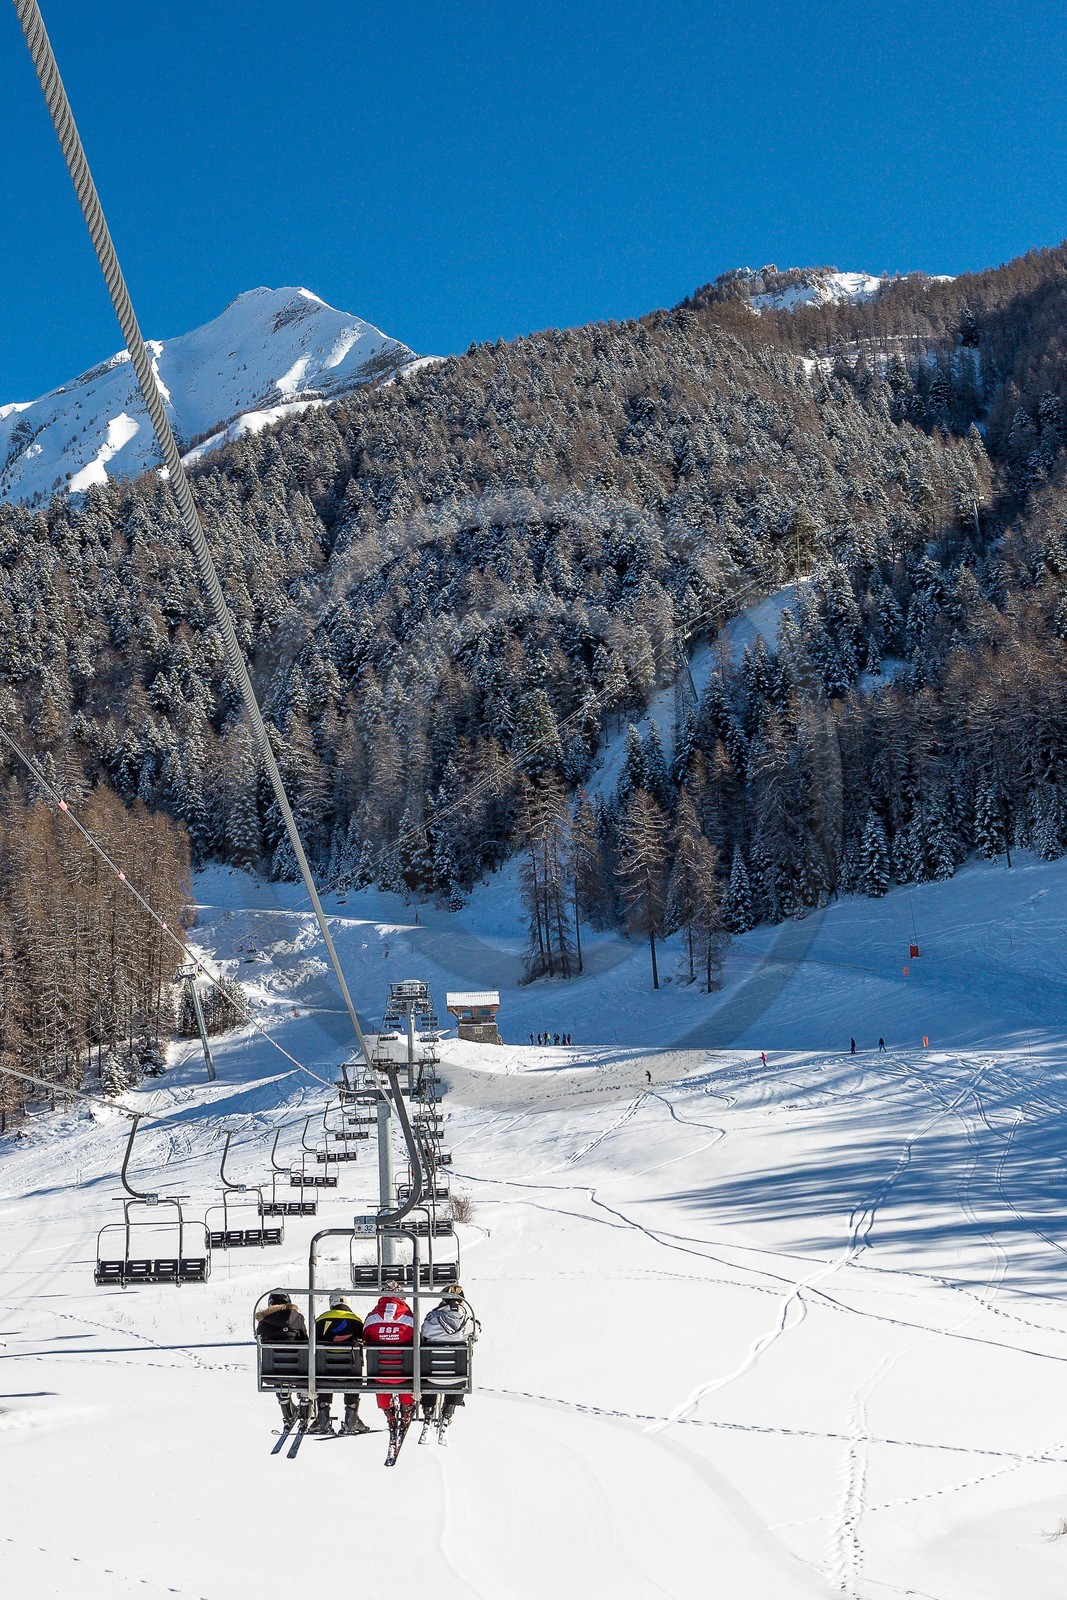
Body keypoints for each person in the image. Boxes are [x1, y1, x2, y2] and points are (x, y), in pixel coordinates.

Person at [419, 1283, 475, 1444]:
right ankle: (447, 1416)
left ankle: (428, 1417)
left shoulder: (431, 1319)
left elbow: (423, 1334)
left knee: (430, 1371)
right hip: (456, 1380)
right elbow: (476, 1333)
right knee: (459, 1371)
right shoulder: (467, 1321)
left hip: (431, 1378)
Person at [363, 1281, 415, 1444]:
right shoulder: (409, 1317)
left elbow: (364, 1338)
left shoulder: (372, 1318)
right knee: (407, 1370)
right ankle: (406, 1410)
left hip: (379, 1376)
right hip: (405, 1377)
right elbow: (418, 1340)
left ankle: (389, 1413)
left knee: (381, 1373)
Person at [311, 1294, 369, 1436]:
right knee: (355, 1369)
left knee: (321, 1367)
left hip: (325, 1373)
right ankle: (351, 1417)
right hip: (351, 1372)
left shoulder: (320, 1320)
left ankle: (323, 1418)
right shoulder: (357, 1321)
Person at [255, 1290, 308, 1429]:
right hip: (299, 1369)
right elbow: (305, 1340)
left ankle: (287, 1410)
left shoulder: (263, 1322)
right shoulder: (297, 1318)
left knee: (279, 1373)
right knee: (305, 1367)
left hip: (273, 1370)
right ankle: (305, 1403)